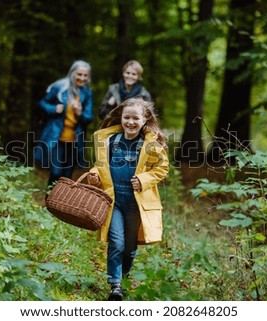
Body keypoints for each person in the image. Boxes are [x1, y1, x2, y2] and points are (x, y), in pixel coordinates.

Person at [88, 98, 169, 300]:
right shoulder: (110, 141)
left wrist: (143, 179)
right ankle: (115, 284)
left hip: (136, 203)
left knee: (130, 246)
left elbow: (161, 169)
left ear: (144, 120)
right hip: (113, 200)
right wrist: (94, 174)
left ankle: (123, 277)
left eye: (135, 118)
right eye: (127, 117)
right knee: (116, 242)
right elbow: (99, 166)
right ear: (121, 118)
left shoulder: (149, 144)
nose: (130, 122)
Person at [34, 60, 93, 187]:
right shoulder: (60, 87)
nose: (82, 78)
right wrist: (54, 109)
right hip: (57, 137)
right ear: (72, 73)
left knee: (67, 176)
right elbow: (42, 103)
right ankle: (48, 203)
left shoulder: (87, 93)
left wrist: (79, 113)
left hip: (74, 140)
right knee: (56, 173)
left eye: (85, 75)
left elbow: (88, 118)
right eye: (79, 74)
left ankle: (60, 205)